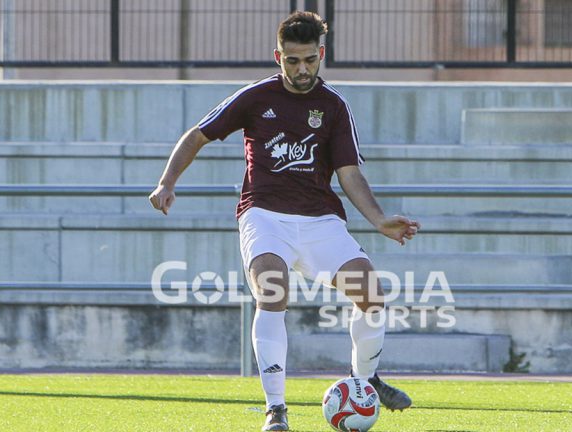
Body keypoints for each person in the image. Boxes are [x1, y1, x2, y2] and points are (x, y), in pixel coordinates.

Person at [149, 10, 419, 431]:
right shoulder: (256, 97)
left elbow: (350, 174)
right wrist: (167, 182)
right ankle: (276, 409)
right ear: (278, 57)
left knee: (372, 292)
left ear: (321, 55)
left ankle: (364, 382)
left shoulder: (333, 106)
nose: (301, 68)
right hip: (265, 215)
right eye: (292, 60)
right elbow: (198, 134)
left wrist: (380, 219)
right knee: (271, 288)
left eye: (309, 60)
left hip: (319, 221)